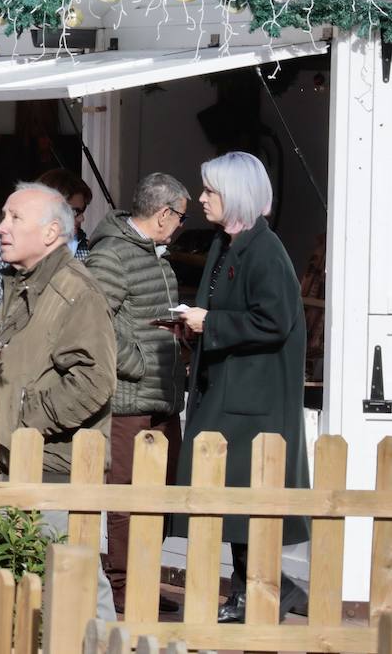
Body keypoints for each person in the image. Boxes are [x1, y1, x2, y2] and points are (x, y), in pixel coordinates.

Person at [174, 152, 309, 623]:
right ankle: (245, 592)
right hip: (231, 390)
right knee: (233, 500)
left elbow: (274, 321)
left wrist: (209, 322)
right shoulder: (227, 245)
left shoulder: (265, 252)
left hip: (256, 400)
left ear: (235, 195)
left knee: (248, 498)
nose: (202, 198)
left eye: (210, 190)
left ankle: (260, 591)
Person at [0, 181, 117, 622]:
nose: (1, 227)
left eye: (14, 218)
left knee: (74, 580)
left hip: (54, 465)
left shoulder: (74, 290)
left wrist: (23, 418)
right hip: (13, 461)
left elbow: (93, 381)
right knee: (26, 589)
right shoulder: (20, 283)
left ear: (50, 233)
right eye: (4, 215)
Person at [84, 172, 190, 615]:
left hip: (162, 397)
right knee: (125, 499)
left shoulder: (155, 255)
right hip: (128, 401)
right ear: (164, 215)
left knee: (160, 495)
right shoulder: (111, 255)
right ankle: (123, 588)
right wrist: (139, 363)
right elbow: (93, 322)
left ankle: (144, 579)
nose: (183, 225)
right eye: (181, 216)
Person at [0, 168, 93, 339]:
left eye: (82, 210)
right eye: (75, 212)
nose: (81, 219)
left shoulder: (86, 250)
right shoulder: (11, 246)